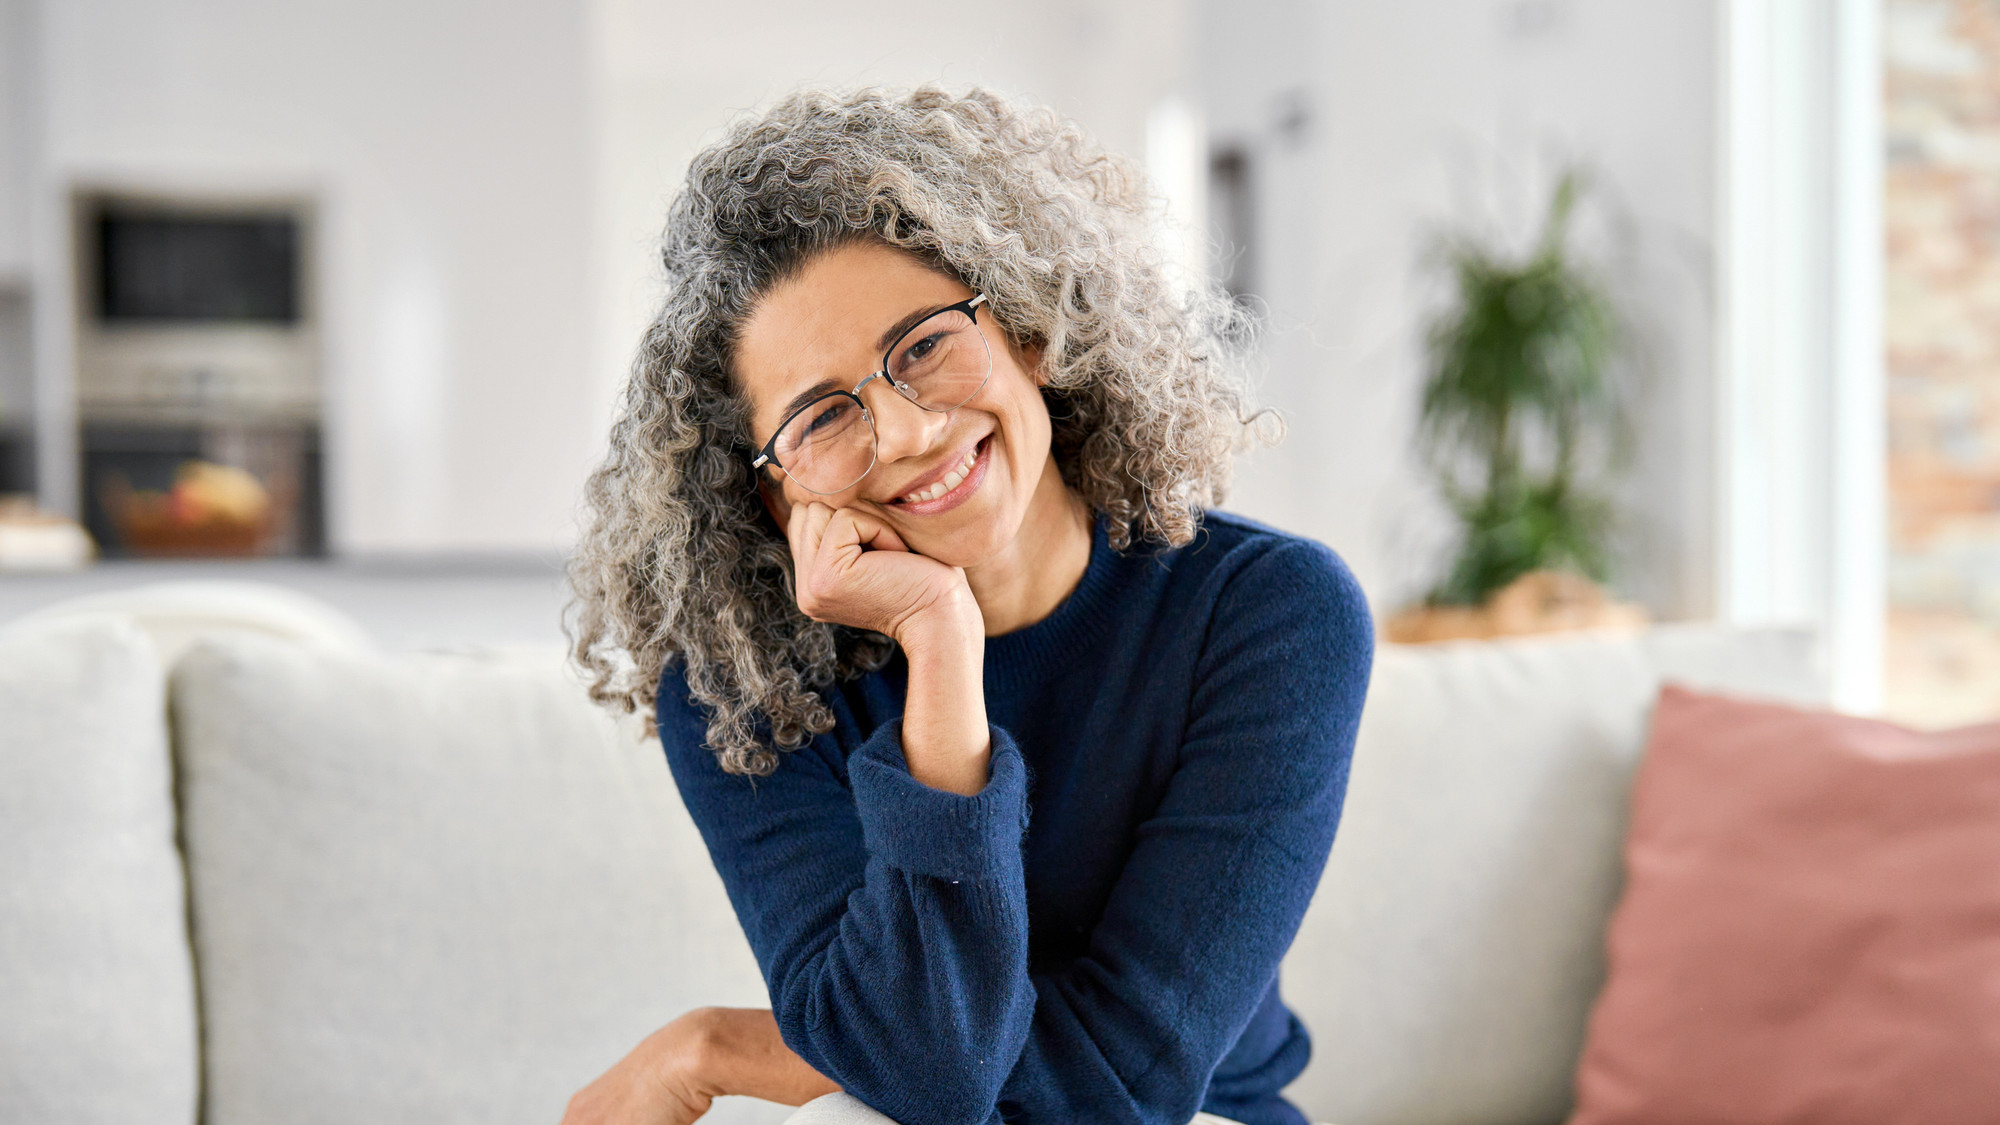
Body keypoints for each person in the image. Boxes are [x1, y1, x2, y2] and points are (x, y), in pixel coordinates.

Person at [561, 86, 1374, 1125]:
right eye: (820, 416)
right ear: (777, 493)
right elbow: (923, 1071)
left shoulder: (1270, 616)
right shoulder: (740, 689)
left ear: (1027, 329)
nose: (902, 431)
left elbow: (1110, 1091)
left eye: (924, 346)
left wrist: (717, 1047)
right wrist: (941, 648)